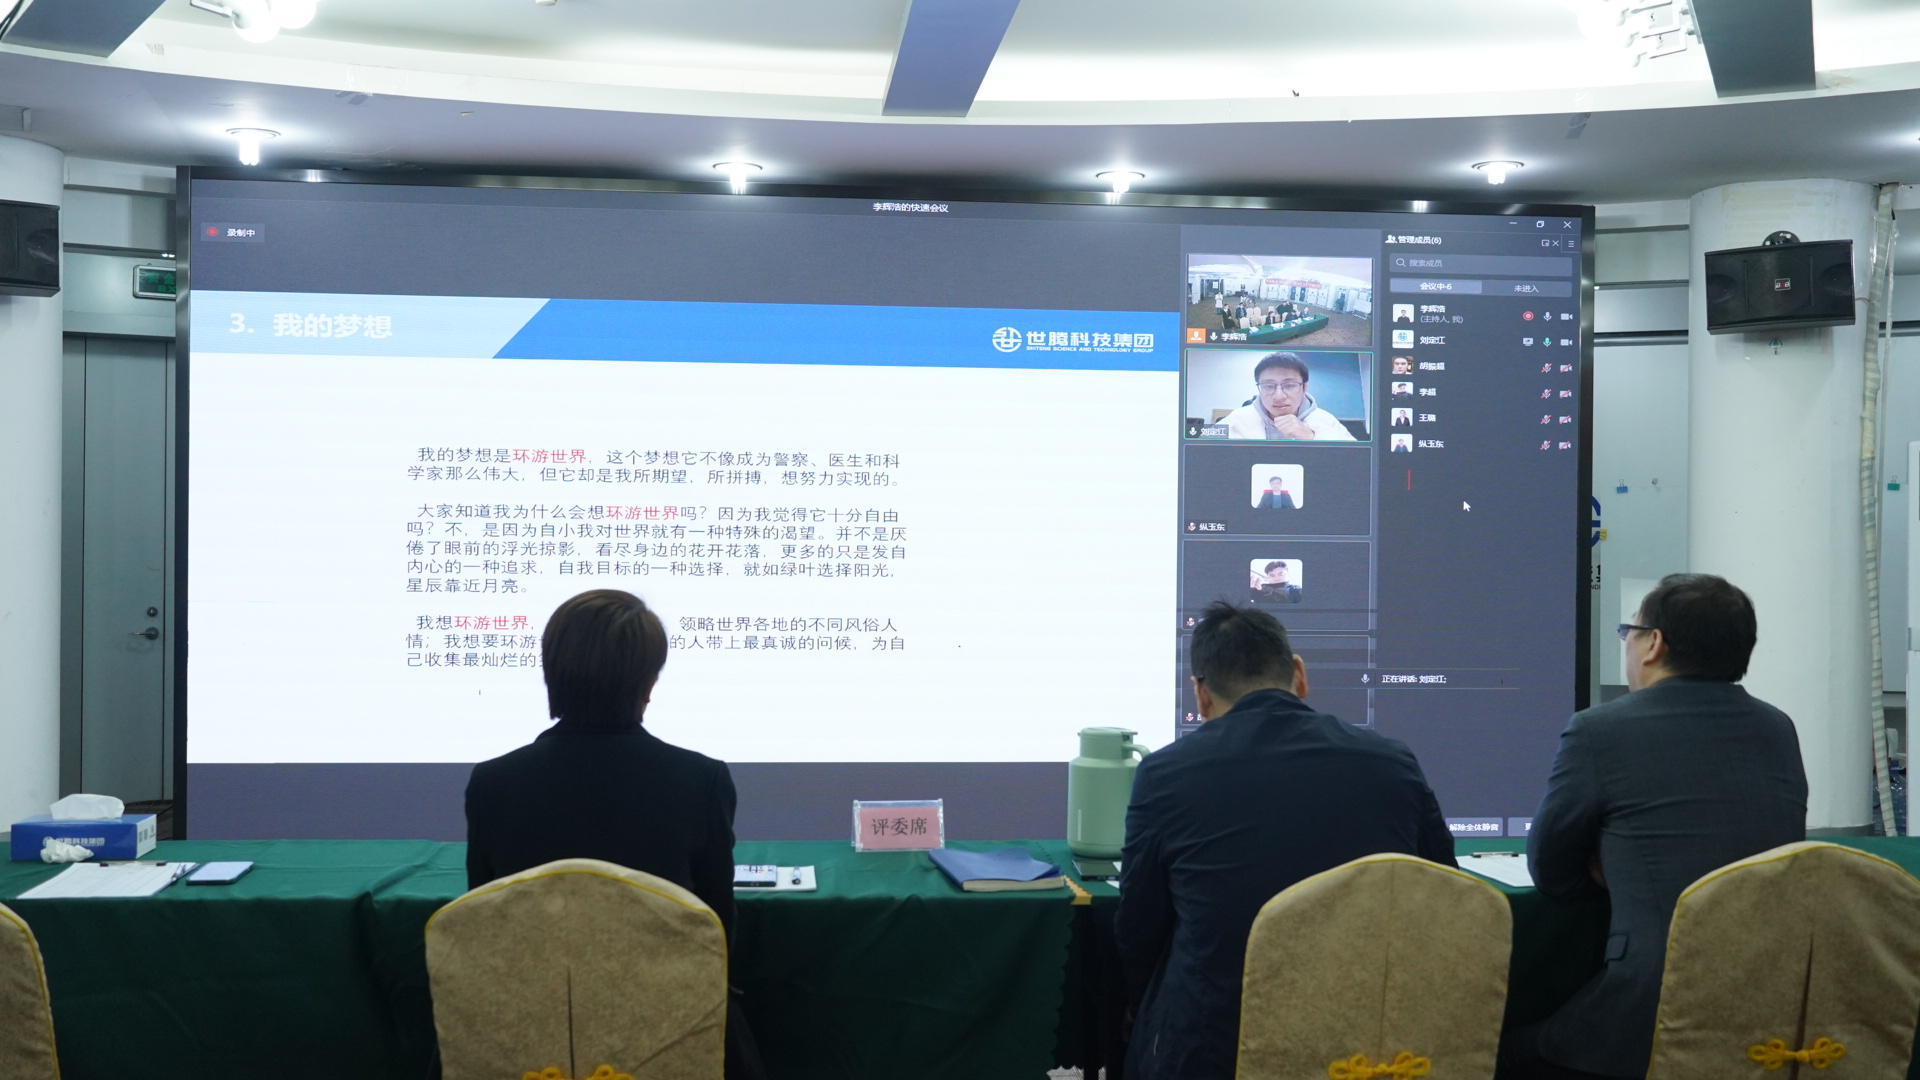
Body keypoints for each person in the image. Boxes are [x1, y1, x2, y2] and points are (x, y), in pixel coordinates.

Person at [1117, 602, 1455, 1080]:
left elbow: (1139, 929)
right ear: (1299, 674)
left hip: (1217, 1050)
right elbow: (1445, 891)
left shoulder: (1163, 774)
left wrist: (1139, 1004)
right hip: (1366, 1049)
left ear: (1200, 694)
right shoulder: (1393, 761)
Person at [1500, 574, 1806, 1080]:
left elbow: (1551, 872)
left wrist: (1613, 871)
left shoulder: (1598, 730)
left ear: (1654, 644)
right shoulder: (1777, 727)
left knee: (1496, 1052)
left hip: (1649, 1009)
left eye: (1629, 632)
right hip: (1771, 1006)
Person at [464, 588, 766, 1080]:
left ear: (551, 674)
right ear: (648, 683)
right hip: (672, 1030)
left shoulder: (493, 782)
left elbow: (486, 923)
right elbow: (715, 934)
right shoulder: (700, 780)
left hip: (528, 1039)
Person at [1222, 352, 1358, 441]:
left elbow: (1356, 460)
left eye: (1289, 385)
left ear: (1304, 388)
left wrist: (1311, 437)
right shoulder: (1238, 418)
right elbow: (1209, 450)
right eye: (1268, 386)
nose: (1279, 396)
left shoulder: (1325, 419)